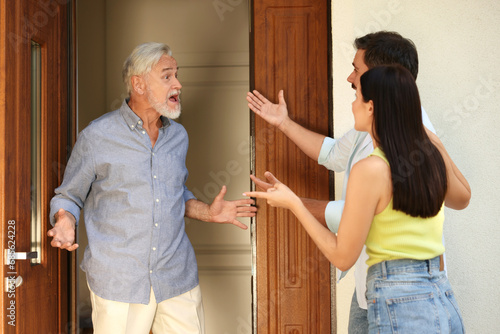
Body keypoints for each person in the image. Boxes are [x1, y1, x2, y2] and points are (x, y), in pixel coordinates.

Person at [47, 42, 257, 334]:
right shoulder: (97, 137)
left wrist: (208, 212)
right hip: (119, 282)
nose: (178, 84)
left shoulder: (178, 136)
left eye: (176, 75)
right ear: (139, 84)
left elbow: (172, 194)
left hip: (176, 277)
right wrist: (64, 221)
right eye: (167, 76)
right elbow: (69, 195)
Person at [244, 64, 470, 333]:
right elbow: (462, 198)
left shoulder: (371, 169)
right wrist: (436, 143)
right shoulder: (428, 156)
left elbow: (342, 257)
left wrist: (294, 203)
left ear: (371, 107)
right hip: (441, 296)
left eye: (356, 96)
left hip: (400, 300)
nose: (353, 104)